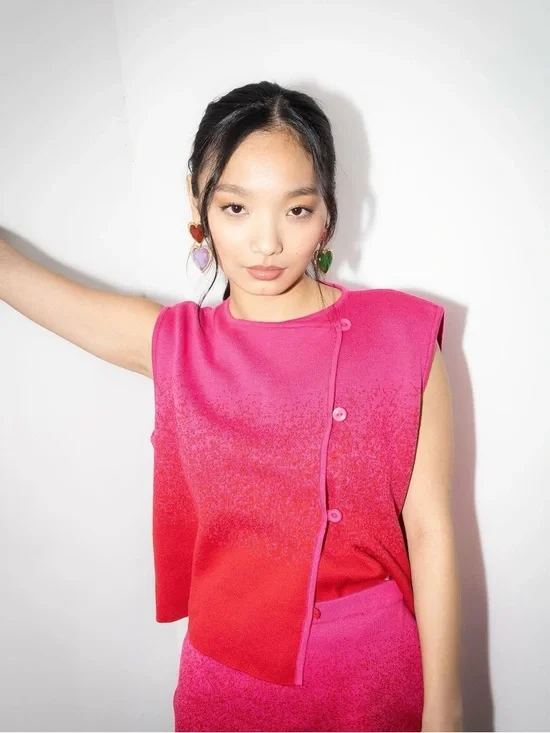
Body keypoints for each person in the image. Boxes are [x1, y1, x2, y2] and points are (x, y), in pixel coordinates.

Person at [0, 80, 463, 732]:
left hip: (374, 680)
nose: (266, 243)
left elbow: (431, 531)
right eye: (237, 207)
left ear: (327, 213)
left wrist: (446, 713)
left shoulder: (401, 335)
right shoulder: (177, 345)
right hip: (226, 688)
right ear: (199, 203)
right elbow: (14, 275)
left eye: (296, 209)